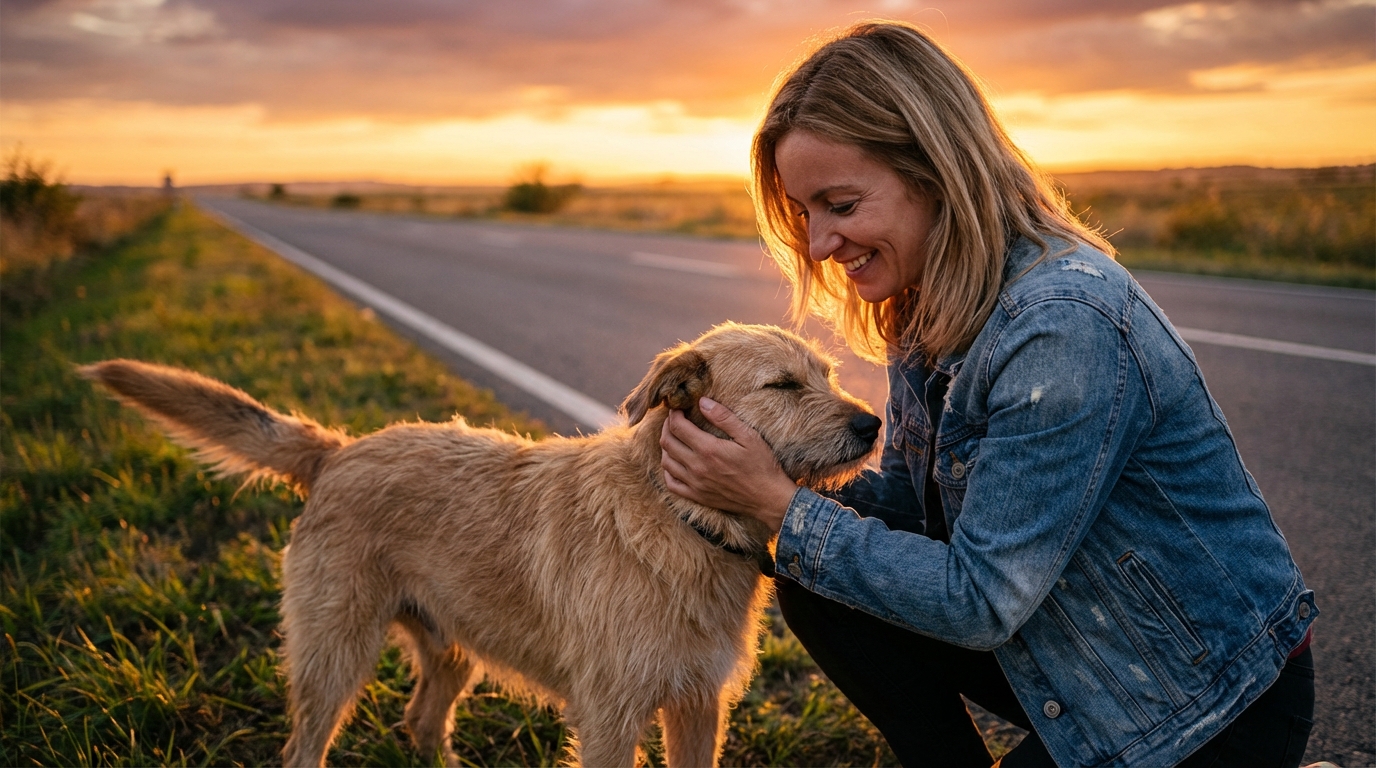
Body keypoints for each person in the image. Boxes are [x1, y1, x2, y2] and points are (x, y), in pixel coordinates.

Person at [659, 21, 1317, 768]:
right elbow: (913, 507)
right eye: (804, 213)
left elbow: (980, 600)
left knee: (813, 541)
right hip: (1071, 640)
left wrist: (780, 506)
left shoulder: (1062, 326)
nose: (816, 246)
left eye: (840, 205)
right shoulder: (927, 298)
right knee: (820, 576)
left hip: (1198, 693)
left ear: (936, 173)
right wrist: (749, 482)